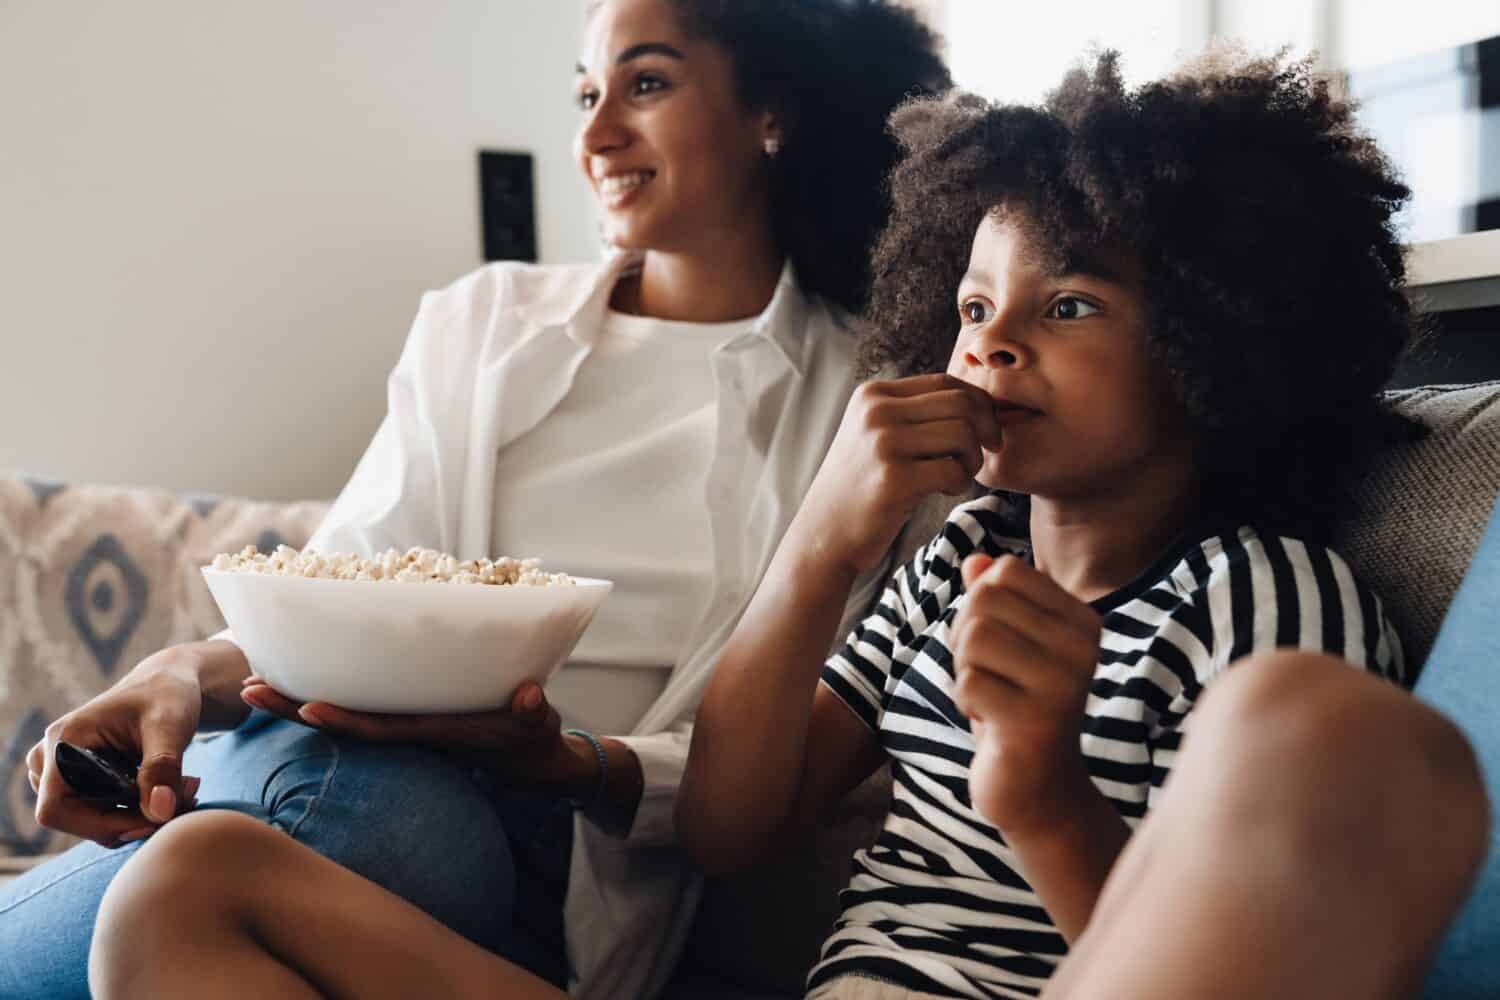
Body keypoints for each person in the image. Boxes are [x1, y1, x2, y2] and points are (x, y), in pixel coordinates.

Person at [82, 49, 1487, 1000]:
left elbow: (1234, 953)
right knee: (189, 882)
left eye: (1067, 308)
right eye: (975, 307)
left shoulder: (1262, 602)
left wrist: (1044, 798)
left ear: (1211, 342)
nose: (991, 349)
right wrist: (821, 544)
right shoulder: (956, 561)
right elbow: (745, 824)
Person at [0, 2, 950, 998]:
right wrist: (179, 673)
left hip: (549, 856)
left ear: (773, 109)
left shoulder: (861, 406)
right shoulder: (485, 323)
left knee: (358, 811)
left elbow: (789, 748)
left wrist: (572, 761)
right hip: (324, 758)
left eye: (647, 83)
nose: (595, 133)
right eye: (585, 94)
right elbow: (342, 590)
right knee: (326, 789)